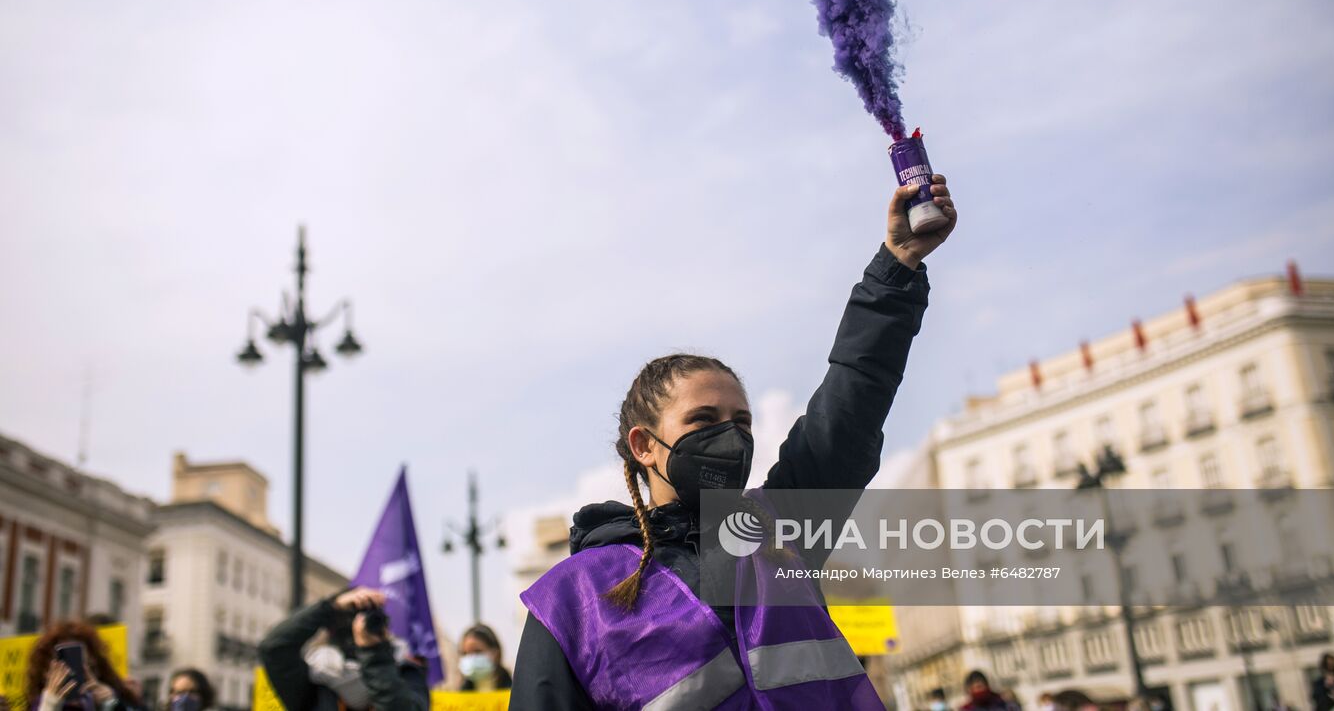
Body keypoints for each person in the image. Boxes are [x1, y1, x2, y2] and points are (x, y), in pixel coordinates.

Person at [509, 180, 956, 709]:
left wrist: (897, 266)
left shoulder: (781, 527)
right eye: (703, 419)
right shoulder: (573, 596)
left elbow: (854, 395)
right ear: (644, 445)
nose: (730, 436)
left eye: (741, 421)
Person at [258, 587, 428, 711]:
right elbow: (274, 648)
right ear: (331, 627)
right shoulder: (315, 679)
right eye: (350, 616)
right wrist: (331, 607)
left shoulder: (406, 671)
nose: (358, 626)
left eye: (369, 618)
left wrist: (375, 654)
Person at [25, 621, 142, 711]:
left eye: (82, 665)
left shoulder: (104, 701)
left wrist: (113, 705)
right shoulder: (40, 705)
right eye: (61, 666)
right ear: (45, 672)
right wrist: (49, 706)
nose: (70, 673)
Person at [457, 625, 511, 692]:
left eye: (477, 651)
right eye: (465, 653)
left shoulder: (514, 691)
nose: (471, 658)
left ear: (496, 654)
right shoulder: (461, 694)